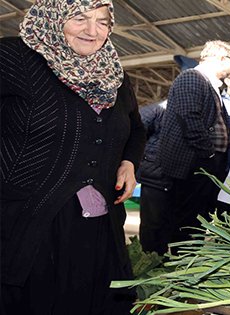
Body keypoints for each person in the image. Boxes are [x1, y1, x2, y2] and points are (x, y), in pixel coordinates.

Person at [0, 0, 146, 314]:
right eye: (80, 18)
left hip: (101, 229)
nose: (93, 31)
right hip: (29, 225)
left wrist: (130, 162)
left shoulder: (113, 76)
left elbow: (135, 128)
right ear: (53, 16)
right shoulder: (13, 58)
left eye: (103, 21)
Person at [159, 40, 230, 245]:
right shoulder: (191, 78)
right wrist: (209, 155)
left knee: (198, 219)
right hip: (192, 166)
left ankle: (192, 257)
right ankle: (182, 263)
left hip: (202, 165)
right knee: (187, 221)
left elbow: (215, 123)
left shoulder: (210, 85)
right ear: (221, 59)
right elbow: (190, 119)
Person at [137, 100, 173, 255]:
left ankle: (160, 258)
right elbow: (136, 132)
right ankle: (149, 259)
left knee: (165, 223)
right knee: (152, 224)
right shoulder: (157, 111)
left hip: (172, 177)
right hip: (154, 176)